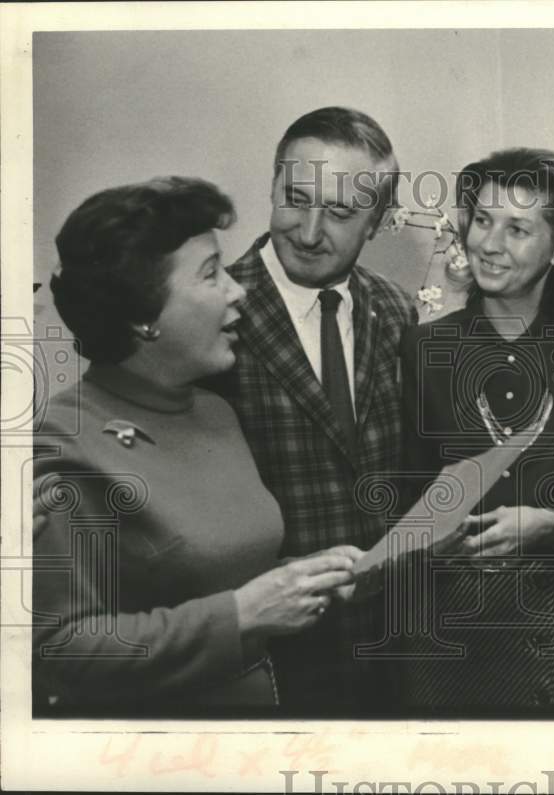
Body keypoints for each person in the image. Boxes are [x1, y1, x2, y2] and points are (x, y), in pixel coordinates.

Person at [33, 177, 359, 714]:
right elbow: (61, 650)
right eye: (212, 274)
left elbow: (214, 571)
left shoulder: (214, 410)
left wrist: (302, 574)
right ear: (143, 316)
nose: (238, 290)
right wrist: (244, 615)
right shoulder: (65, 443)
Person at [397, 148, 554, 712]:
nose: (489, 243)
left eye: (517, 229)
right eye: (482, 220)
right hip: (459, 641)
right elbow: (405, 493)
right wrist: (434, 537)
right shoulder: (424, 350)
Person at [208, 107, 418, 713]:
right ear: (271, 187)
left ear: (377, 221)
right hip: (265, 661)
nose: (308, 230)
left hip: (388, 653)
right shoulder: (212, 314)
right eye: (295, 200)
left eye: (343, 213)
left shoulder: (398, 310)